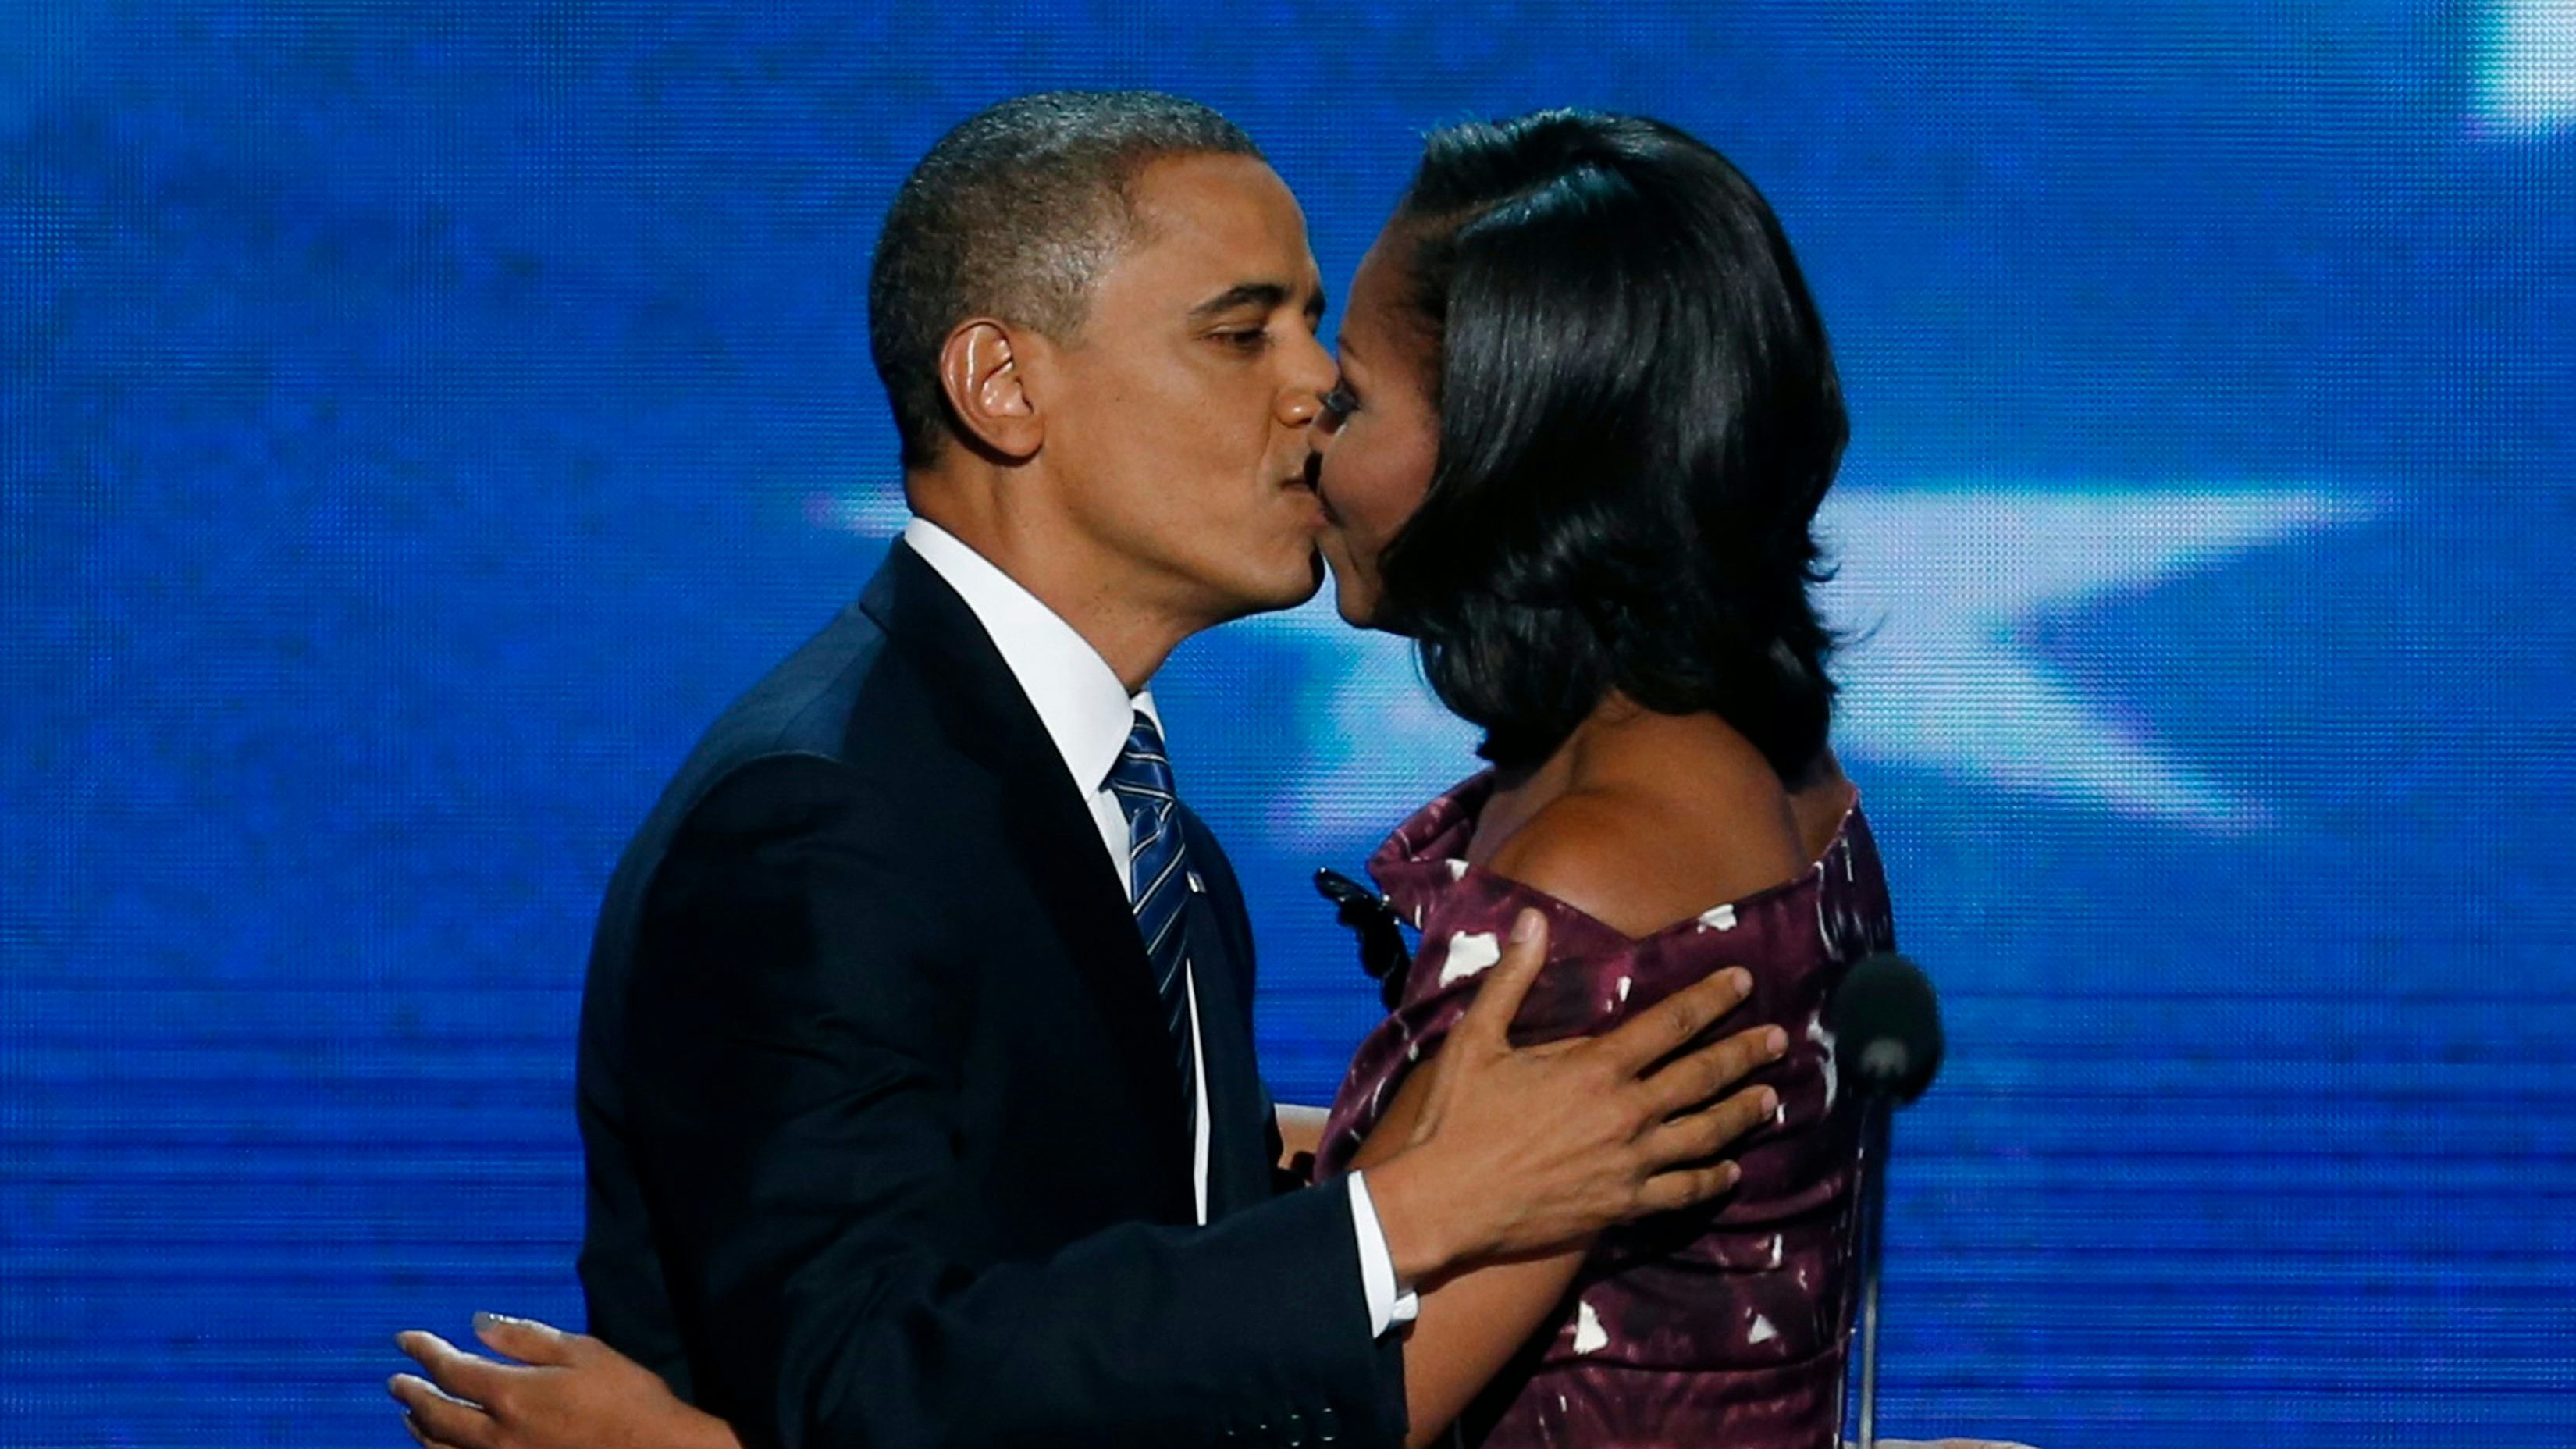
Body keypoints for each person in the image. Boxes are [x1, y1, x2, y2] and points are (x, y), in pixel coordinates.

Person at [389, 93, 1789, 1449]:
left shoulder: (1142, 825)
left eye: (1312, 328)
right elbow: (863, 1381)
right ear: (1005, 387)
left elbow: (1078, 1236)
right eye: (1243, 334)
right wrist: (1405, 1216)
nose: (1316, 386)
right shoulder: (820, 823)